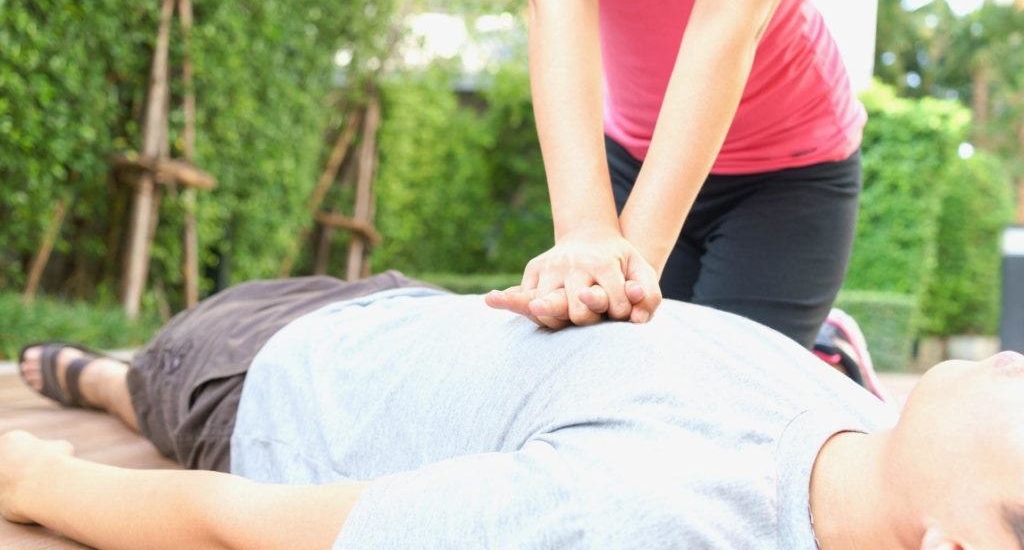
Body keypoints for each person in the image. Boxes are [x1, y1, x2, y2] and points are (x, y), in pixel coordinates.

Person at [4, 271, 1024, 549]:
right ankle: (113, 378)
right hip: (393, 309)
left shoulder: (629, 521)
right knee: (146, 378)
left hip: (259, 381)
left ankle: (101, 381)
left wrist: (36, 479)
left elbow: (233, 525)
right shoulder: (850, 422)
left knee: (147, 385)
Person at [501, 0, 865, 350]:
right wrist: (584, 235)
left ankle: (830, 351)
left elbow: (727, 22)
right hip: (632, 156)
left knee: (722, 383)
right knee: (607, 354)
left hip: (787, 170)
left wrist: (622, 283)